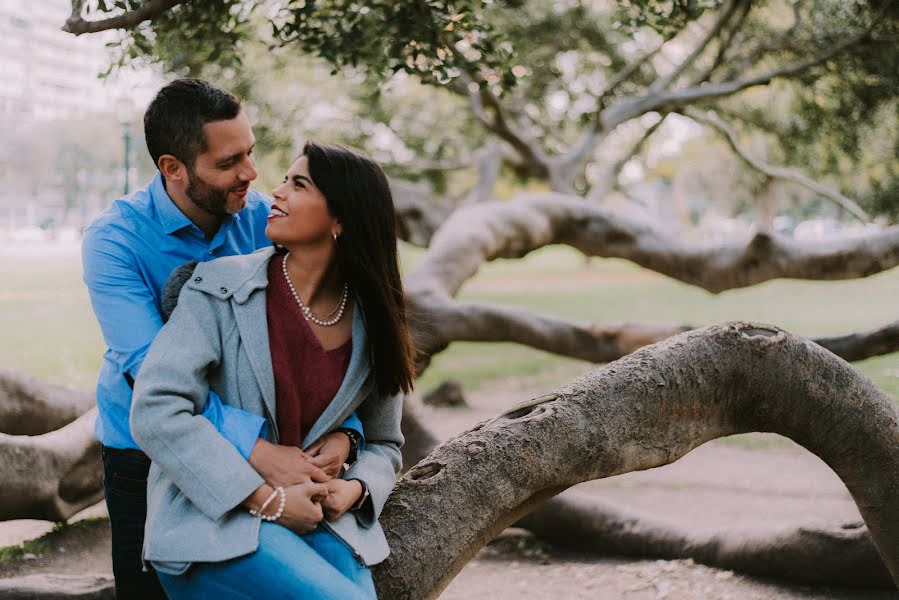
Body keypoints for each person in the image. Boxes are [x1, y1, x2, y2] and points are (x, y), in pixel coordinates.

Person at [82, 79, 361, 599]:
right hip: (146, 453)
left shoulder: (267, 222)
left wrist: (349, 435)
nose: (251, 174)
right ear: (173, 168)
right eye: (230, 162)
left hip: (272, 444)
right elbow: (150, 371)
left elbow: (321, 334)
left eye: (250, 153)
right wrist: (255, 449)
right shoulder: (114, 241)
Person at [131, 141, 415, 598]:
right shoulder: (218, 288)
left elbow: (384, 442)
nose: (276, 192)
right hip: (214, 522)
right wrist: (268, 500)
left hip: (321, 522)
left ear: (341, 219)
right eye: (284, 179)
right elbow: (156, 409)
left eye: (297, 184)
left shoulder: (375, 319)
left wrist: (356, 489)